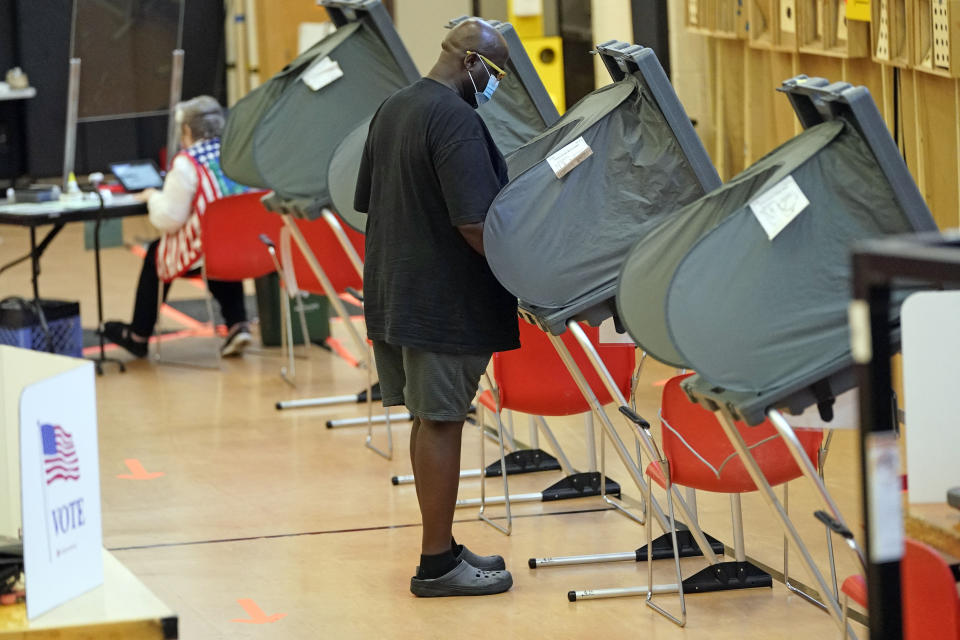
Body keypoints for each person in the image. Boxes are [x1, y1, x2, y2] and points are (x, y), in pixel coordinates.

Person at [354, 19, 520, 597]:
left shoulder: (393, 107)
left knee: (428, 420)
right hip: (443, 301)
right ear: (474, 63)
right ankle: (436, 565)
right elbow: (474, 222)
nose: (494, 84)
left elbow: (365, 198)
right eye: (495, 73)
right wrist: (531, 273)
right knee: (442, 422)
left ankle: (441, 546)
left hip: (394, 292)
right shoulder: (456, 120)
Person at [103, 96, 252, 358]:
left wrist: (153, 197)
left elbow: (168, 219)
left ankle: (138, 334)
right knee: (220, 248)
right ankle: (238, 323)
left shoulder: (187, 164)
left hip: (211, 250)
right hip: (251, 247)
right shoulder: (237, 152)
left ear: (186, 130)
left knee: (156, 255)